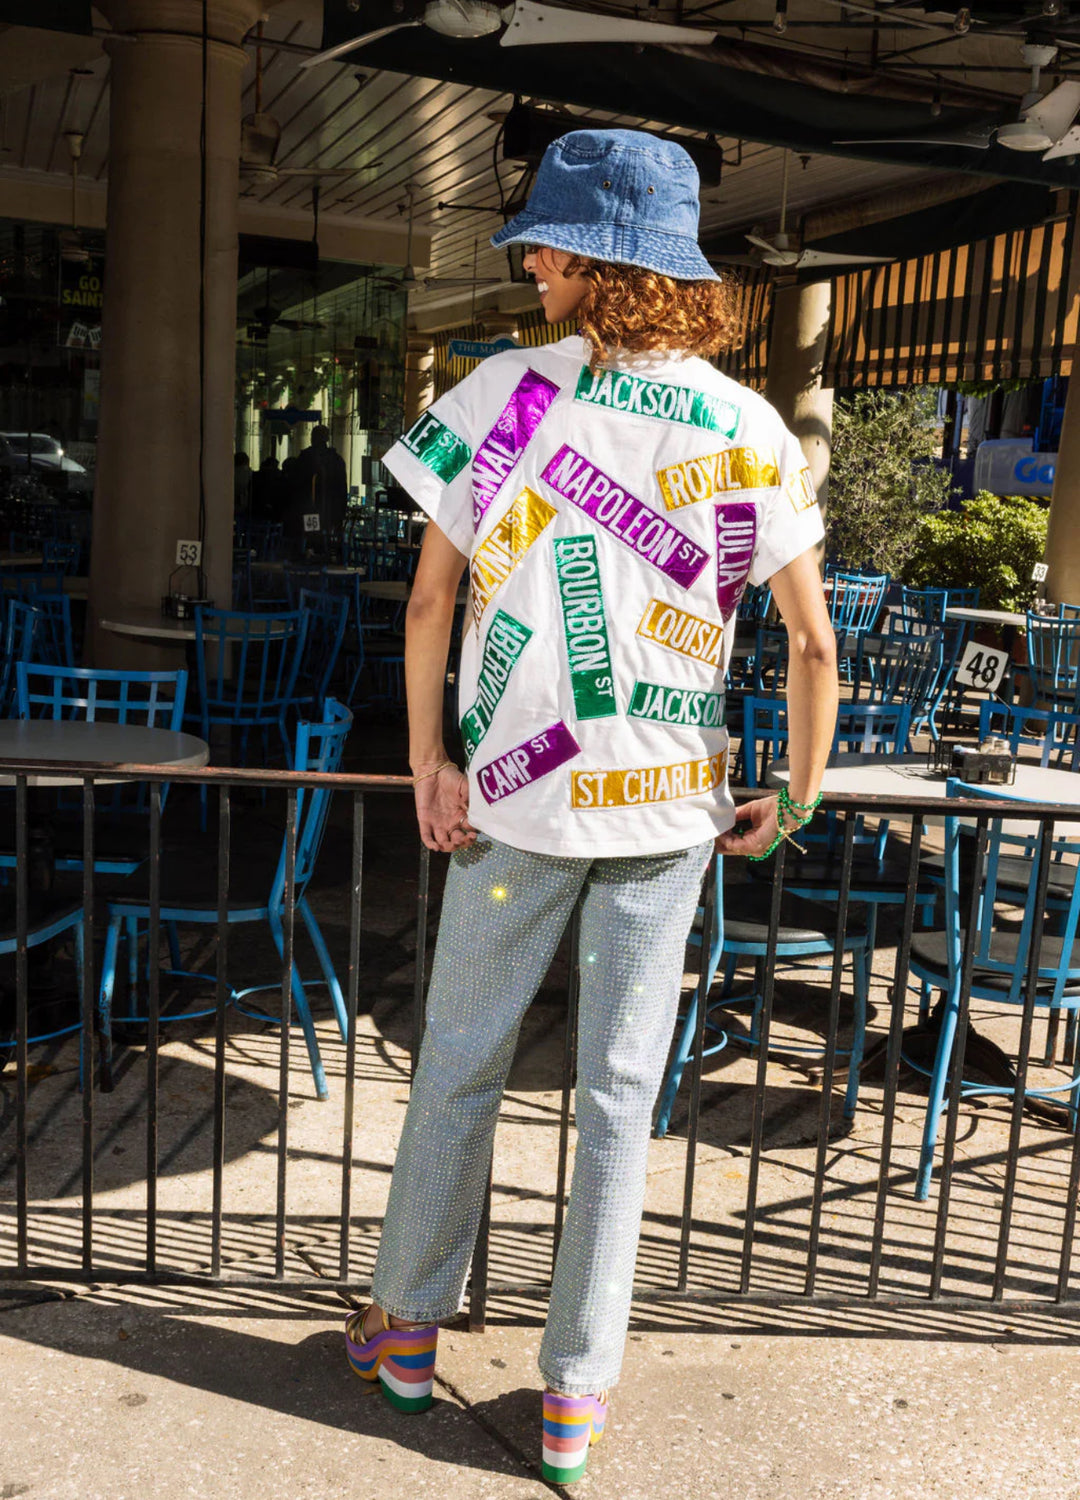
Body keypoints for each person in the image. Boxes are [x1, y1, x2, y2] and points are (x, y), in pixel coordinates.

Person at [346, 128, 838, 1483]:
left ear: (585, 255)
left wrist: (427, 763)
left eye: (544, 242)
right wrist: (788, 797)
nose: (531, 261)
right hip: (671, 817)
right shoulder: (745, 425)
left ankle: (402, 1336)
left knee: (457, 1066)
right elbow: (809, 647)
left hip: (514, 799)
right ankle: (574, 1401)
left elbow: (433, 602)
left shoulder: (504, 393)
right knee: (622, 1096)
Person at [287, 423, 347, 553]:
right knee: (326, 542)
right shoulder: (336, 460)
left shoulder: (306, 458)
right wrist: (340, 513)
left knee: (310, 540)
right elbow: (342, 489)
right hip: (331, 511)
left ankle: (311, 558)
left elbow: (296, 485)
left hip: (310, 509)